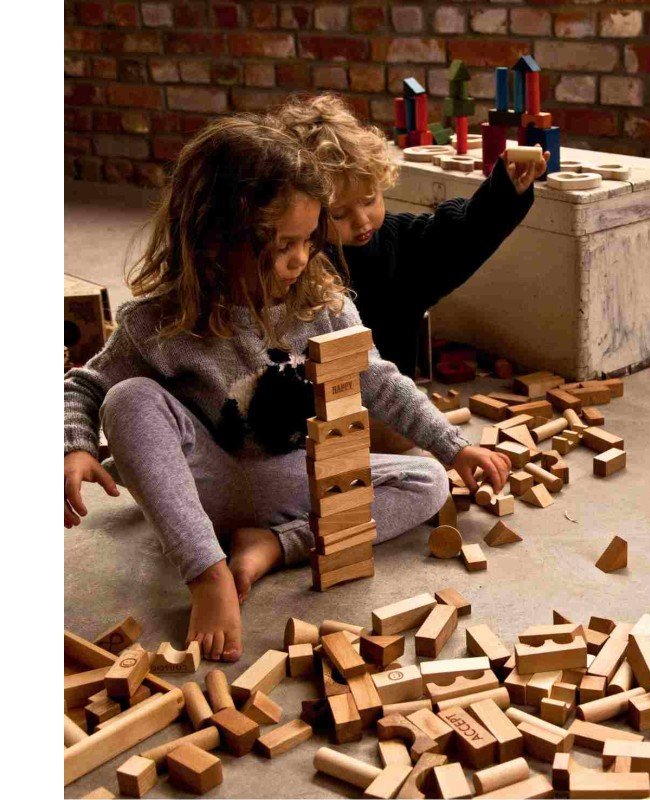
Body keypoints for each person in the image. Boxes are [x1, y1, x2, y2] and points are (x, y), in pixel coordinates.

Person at [64, 115, 510, 662]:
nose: (300, 259)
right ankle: (206, 571)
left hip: (291, 481)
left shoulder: (325, 304)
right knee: (127, 400)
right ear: (214, 241)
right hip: (206, 483)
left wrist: (453, 446)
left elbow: (379, 380)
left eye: (309, 240)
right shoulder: (157, 320)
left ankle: (273, 546)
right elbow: (85, 384)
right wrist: (77, 447)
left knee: (427, 482)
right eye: (282, 246)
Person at [275, 93, 549, 381]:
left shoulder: (400, 244)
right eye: (339, 214)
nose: (362, 221)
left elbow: (460, 236)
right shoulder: (295, 265)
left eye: (369, 200)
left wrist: (505, 192)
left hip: (392, 402)